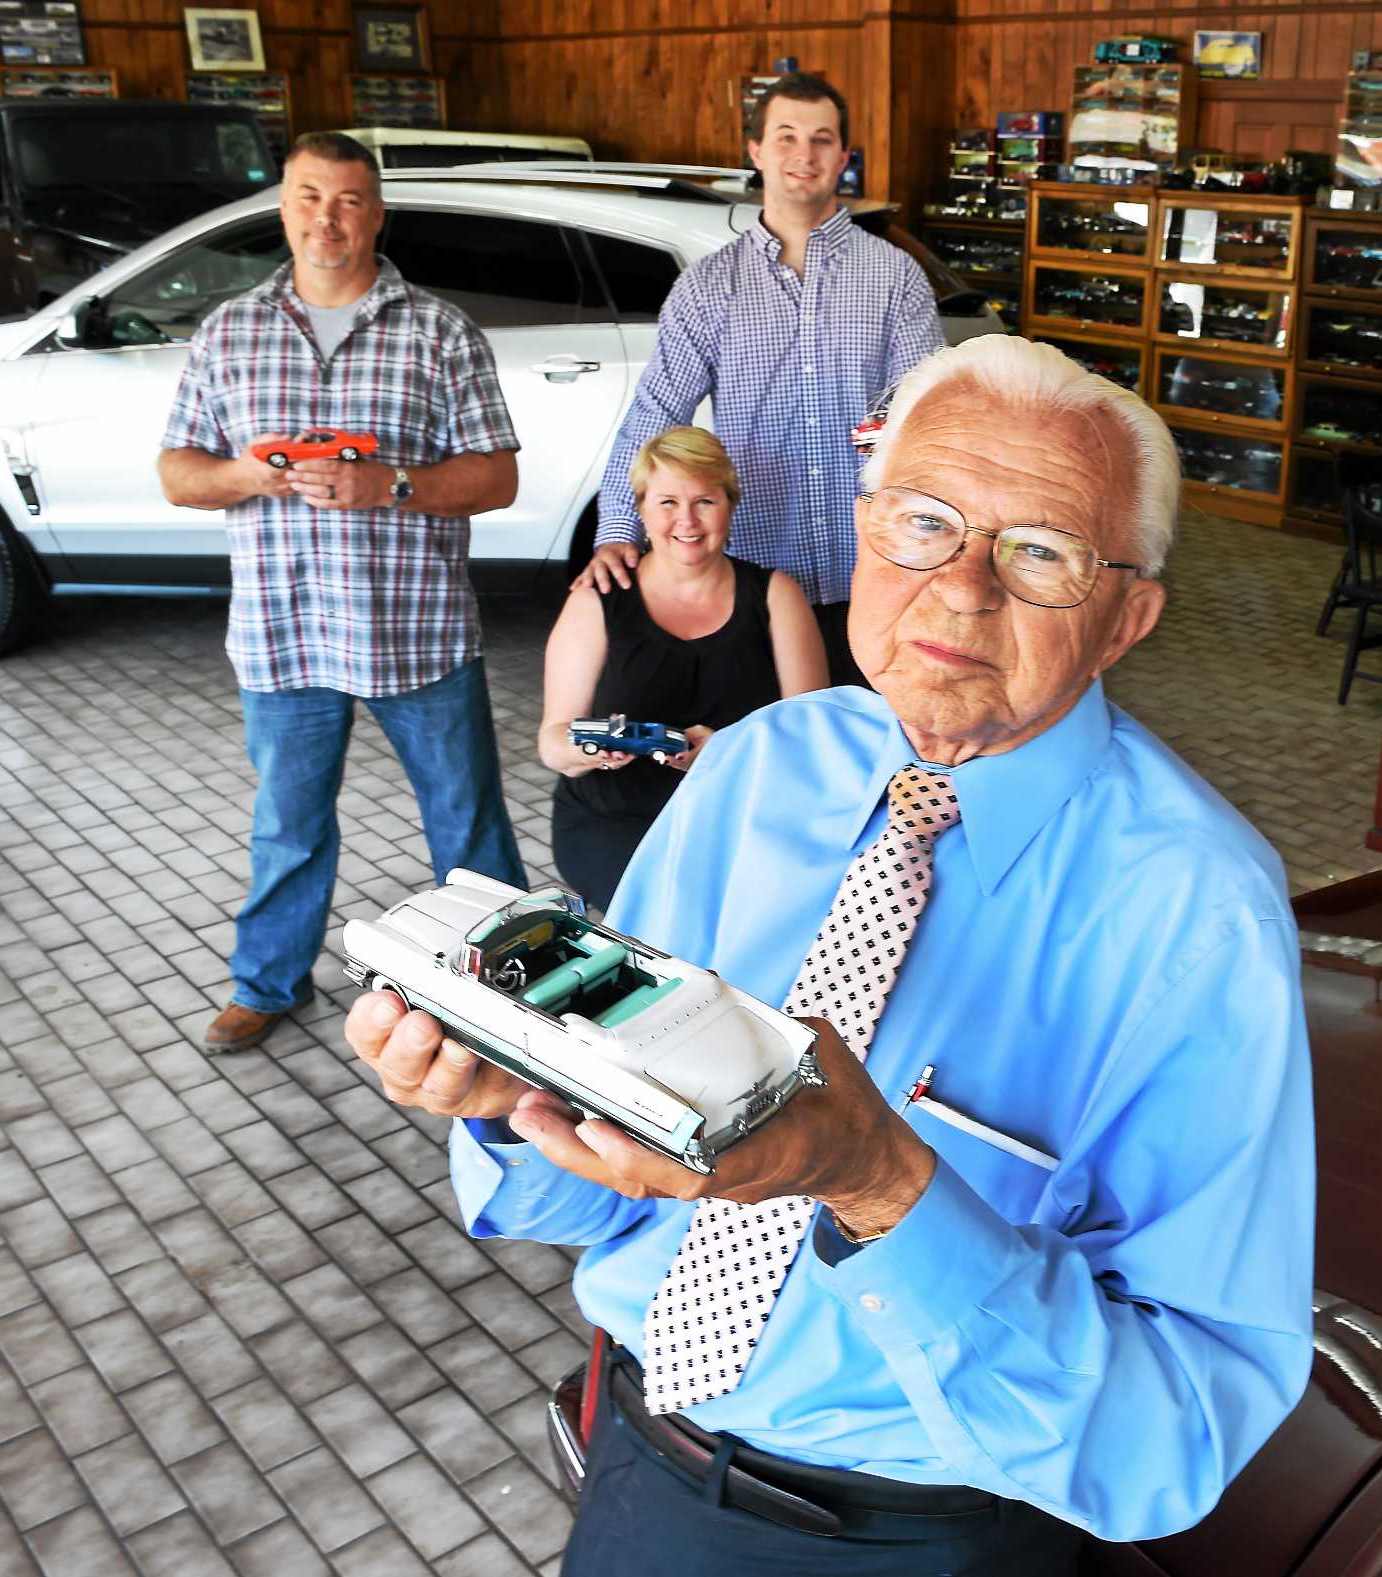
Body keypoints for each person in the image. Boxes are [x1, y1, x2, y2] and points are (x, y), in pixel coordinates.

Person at [347, 335, 1314, 1573]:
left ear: (1126, 618)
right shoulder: (763, 765)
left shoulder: (1197, 911)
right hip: (641, 1455)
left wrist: (880, 1181)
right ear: (860, 534)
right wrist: (510, 1096)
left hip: (911, 1539)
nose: (962, 588)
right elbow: (610, 1195)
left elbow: (1175, 1432)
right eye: (922, 522)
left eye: (1041, 552)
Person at [158, 130, 526, 1054]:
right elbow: (176, 471)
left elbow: (497, 478)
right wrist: (248, 474)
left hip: (418, 629)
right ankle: (268, 983)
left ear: (377, 213)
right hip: (285, 635)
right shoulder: (230, 331)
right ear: (283, 208)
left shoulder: (439, 331)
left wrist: (389, 483)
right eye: (309, 197)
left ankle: (513, 990)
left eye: (349, 199)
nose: (329, 217)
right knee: (287, 827)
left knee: (469, 825)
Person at [578, 71, 945, 688]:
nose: (804, 155)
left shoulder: (895, 277)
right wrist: (618, 528)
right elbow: (657, 412)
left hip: (875, 571)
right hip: (755, 578)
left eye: (822, 139)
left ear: (844, 156)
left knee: (874, 749)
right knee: (767, 746)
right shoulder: (708, 285)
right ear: (755, 152)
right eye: (786, 137)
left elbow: (920, 418)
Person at [540, 426, 828, 910]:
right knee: (667, 912)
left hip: (742, 817)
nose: (686, 520)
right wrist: (595, 751)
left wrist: (731, 751)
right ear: (641, 510)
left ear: (730, 505)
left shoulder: (777, 595)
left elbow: (813, 735)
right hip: (615, 822)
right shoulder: (599, 597)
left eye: (705, 502)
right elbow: (552, 742)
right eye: (667, 502)